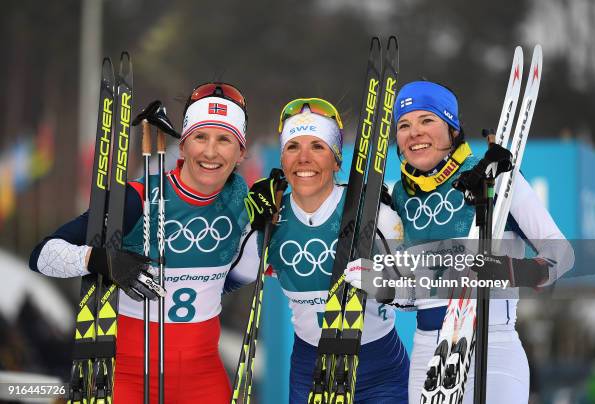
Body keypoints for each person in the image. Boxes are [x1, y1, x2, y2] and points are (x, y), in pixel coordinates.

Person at [344, 80, 575, 403]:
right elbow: (417, 291)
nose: (414, 133)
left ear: (452, 129)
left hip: (492, 349)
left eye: (428, 120)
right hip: (429, 353)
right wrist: (384, 287)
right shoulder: (401, 198)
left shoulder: (494, 176)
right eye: (404, 125)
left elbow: (561, 253)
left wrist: (513, 271)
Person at [29, 82, 251, 403]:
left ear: (241, 152)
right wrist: (100, 260)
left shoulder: (243, 204)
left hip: (204, 377)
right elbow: (42, 254)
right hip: (129, 376)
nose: (211, 152)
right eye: (200, 137)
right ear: (184, 144)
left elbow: (254, 265)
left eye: (225, 140)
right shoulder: (138, 198)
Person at [227, 98, 410, 403]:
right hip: (310, 369)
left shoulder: (373, 212)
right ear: (283, 159)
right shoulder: (269, 218)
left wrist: (382, 283)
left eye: (318, 146)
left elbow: (414, 293)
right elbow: (226, 281)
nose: (304, 158)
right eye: (293, 147)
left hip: (379, 372)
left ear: (337, 160)